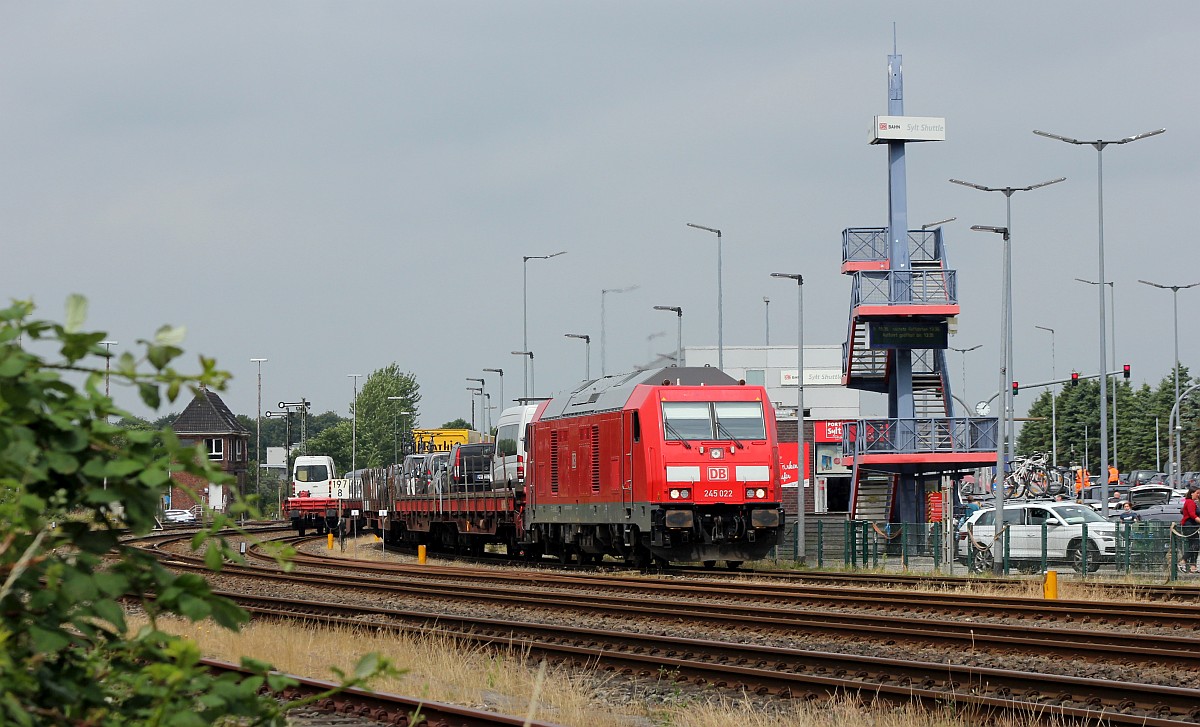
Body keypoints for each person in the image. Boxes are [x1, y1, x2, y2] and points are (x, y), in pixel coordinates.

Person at [1180, 488, 1200, 573]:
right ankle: (1183, 561)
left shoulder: (1193, 502)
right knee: (1196, 544)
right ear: (1192, 493)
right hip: (1189, 526)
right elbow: (1192, 514)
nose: (1198, 495)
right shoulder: (1190, 502)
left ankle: (1193, 566)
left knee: (1195, 545)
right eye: (1197, 493)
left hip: (1193, 526)